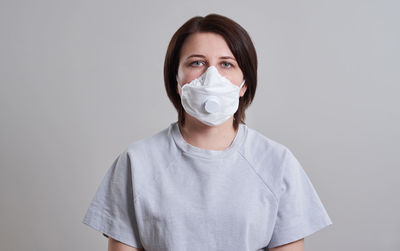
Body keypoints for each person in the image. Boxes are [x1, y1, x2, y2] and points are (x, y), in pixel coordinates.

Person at [82, 13, 332, 251]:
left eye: (226, 64)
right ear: (176, 80)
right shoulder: (137, 163)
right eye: (197, 62)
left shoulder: (277, 163)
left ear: (244, 84)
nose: (212, 76)